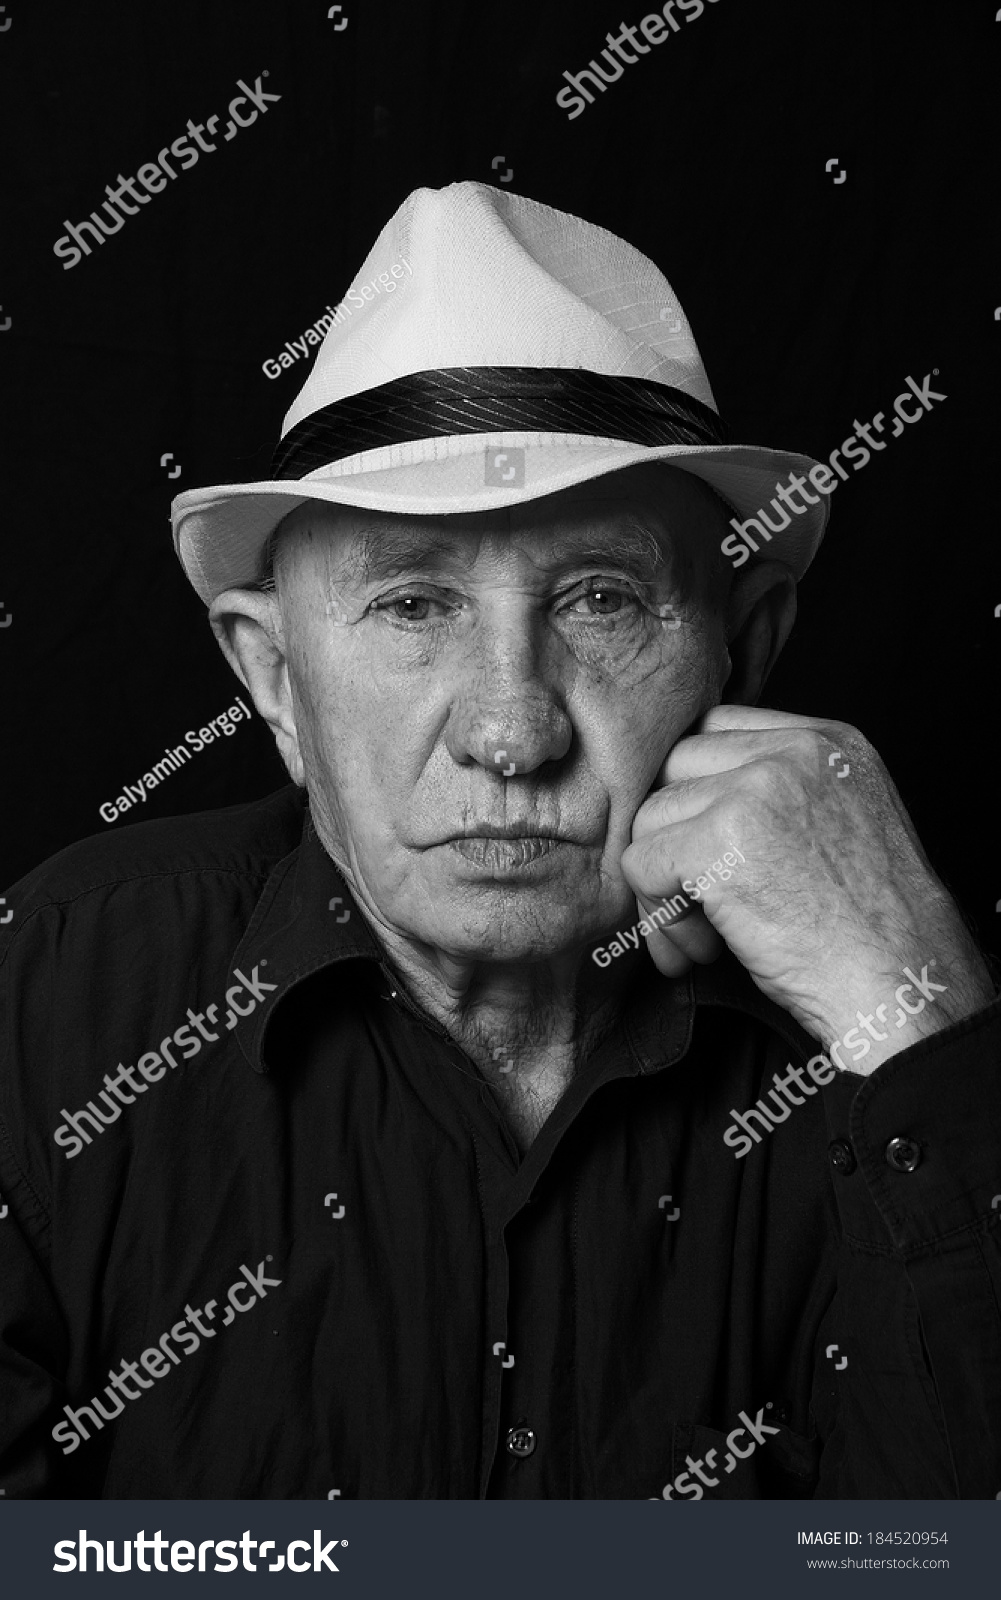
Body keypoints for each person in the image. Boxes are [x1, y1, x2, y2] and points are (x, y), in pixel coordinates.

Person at [1, 182, 998, 1500]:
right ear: (276, 682)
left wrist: (922, 1029)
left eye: (598, 600)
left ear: (740, 650)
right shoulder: (50, 994)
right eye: (413, 605)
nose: (512, 733)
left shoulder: (875, 1030)